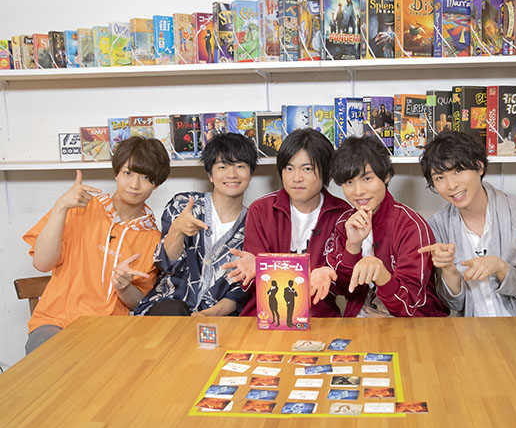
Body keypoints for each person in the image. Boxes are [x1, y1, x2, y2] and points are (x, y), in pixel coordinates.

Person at [22, 137, 170, 354]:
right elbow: (42, 263)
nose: (134, 185)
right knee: (50, 364)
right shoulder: (78, 208)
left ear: (156, 184)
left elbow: (137, 303)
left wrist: (124, 287)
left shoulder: (154, 239)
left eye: (145, 177)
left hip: (111, 331)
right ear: (116, 173)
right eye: (128, 173)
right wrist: (61, 206)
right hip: (56, 323)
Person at [417, 131, 516, 317]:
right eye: (439, 178)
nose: (451, 185)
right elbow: (453, 303)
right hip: (473, 328)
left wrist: (501, 268)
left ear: (480, 166)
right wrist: (449, 269)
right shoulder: (438, 225)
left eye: (458, 171)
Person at [227, 128, 352, 317]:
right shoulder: (261, 210)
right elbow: (251, 282)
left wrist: (329, 277)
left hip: (319, 317)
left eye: (307, 169)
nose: (296, 178)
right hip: (266, 315)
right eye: (289, 168)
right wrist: (252, 271)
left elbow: (346, 286)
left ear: (326, 170)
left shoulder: (343, 214)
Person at [134, 133, 257, 317]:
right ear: (210, 175)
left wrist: (211, 314)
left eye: (240, 166)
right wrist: (177, 229)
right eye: (222, 167)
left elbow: (242, 289)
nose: (232, 174)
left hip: (219, 315)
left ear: (250, 173)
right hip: (170, 309)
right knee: (173, 312)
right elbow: (166, 265)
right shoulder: (184, 204)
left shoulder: (255, 223)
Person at [325, 136, 448, 317]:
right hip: (360, 323)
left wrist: (381, 274)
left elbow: (411, 306)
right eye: (349, 182)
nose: (358, 191)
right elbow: (344, 290)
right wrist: (353, 247)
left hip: (411, 325)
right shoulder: (345, 223)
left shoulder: (411, 226)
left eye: (367, 178)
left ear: (386, 176)